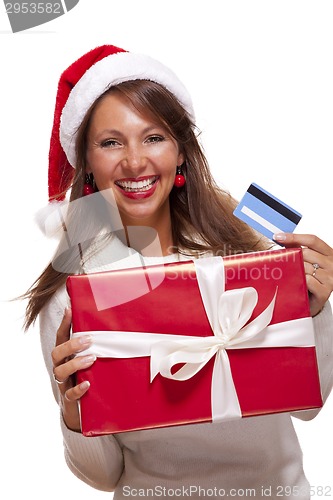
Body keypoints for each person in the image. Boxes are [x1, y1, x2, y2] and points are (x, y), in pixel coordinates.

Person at [23, 44, 333, 499]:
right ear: (86, 163)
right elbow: (104, 476)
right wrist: (74, 413)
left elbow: (310, 404)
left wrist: (318, 311)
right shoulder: (73, 296)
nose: (134, 161)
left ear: (182, 150)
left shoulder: (250, 255)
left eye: (154, 137)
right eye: (111, 142)